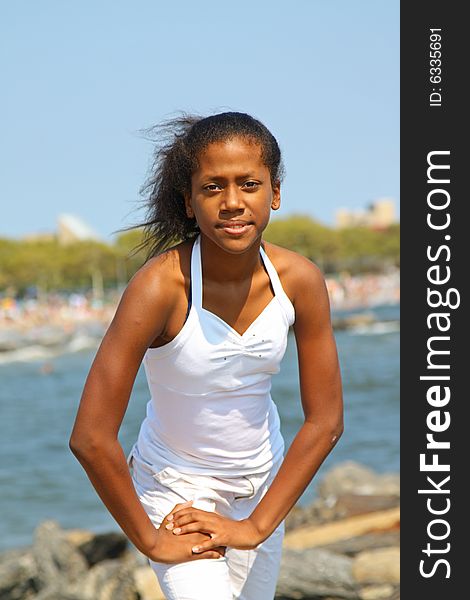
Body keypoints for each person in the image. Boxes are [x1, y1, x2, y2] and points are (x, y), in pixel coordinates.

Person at [69, 111, 343, 599]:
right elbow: (90, 437)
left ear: (274, 193)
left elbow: (325, 421)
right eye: (213, 187)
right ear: (190, 202)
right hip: (177, 493)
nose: (233, 202)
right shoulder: (160, 287)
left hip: (261, 489)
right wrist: (150, 540)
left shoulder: (299, 281)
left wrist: (256, 525)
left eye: (250, 184)